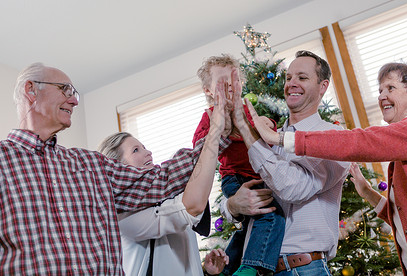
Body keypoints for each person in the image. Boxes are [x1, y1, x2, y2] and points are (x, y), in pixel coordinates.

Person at [0, 62, 230, 275]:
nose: (74, 100)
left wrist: (218, 131)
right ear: (31, 90)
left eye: (74, 93)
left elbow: (161, 180)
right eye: (64, 89)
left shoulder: (89, 164)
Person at [247, 58, 407, 275]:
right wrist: (368, 194)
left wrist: (281, 139)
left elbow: (363, 141)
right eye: (380, 90)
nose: (382, 96)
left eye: (391, 88)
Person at [224, 50, 351, 275]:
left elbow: (293, 187)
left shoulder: (334, 137)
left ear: (323, 86)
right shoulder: (266, 136)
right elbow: (243, 189)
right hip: (262, 268)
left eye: (302, 78)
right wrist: (232, 206)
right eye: (288, 78)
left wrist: (245, 128)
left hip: (304, 269)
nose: (291, 83)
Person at [194, 55, 285, 275]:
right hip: (235, 178)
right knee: (271, 215)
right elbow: (198, 149)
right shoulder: (210, 116)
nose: (228, 87)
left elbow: (266, 129)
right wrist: (221, 128)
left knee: (249, 228)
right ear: (208, 90)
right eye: (221, 82)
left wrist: (268, 122)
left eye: (233, 81)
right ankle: (252, 267)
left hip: (258, 176)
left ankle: (228, 269)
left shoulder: (246, 108)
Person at [98, 132, 229, 275]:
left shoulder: (167, 201)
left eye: (144, 147)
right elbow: (193, 207)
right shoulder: (125, 218)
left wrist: (207, 272)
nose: (148, 153)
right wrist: (217, 133)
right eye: (136, 150)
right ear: (118, 169)